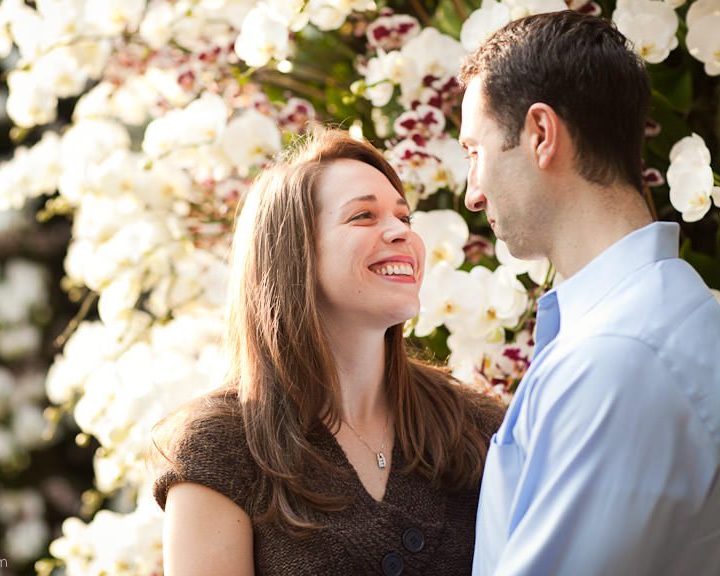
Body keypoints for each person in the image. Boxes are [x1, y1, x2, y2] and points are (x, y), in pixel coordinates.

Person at [152, 127, 504, 575]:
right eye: (364, 217)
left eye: (404, 217)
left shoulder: (475, 428)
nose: (401, 233)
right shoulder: (220, 448)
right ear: (294, 253)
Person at [458, 10, 720, 576]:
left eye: (475, 152)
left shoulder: (618, 358)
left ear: (541, 135)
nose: (471, 194)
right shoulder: (670, 314)